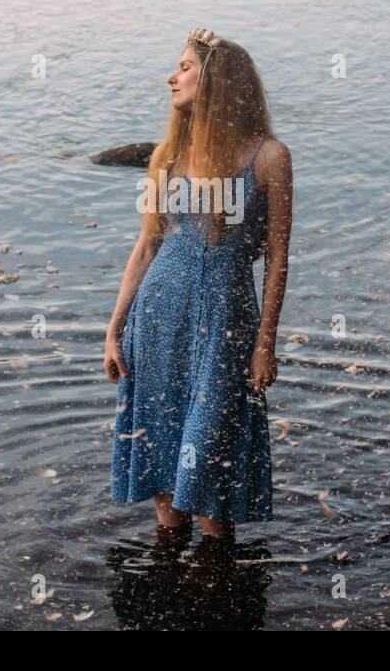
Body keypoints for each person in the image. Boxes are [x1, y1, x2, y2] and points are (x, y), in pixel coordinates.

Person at [105, 27, 292, 541]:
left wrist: (265, 345)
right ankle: (165, 588)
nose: (172, 76)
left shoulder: (269, 158)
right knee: (166, 467)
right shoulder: (168, 154)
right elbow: (145, 248)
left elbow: (277, 259)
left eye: (185, 67)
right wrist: (114, 330)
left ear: (217, 81)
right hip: (158, 319)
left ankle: (218, 590)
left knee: (211, 474)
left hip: (226, 325)